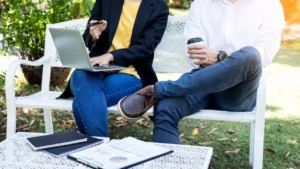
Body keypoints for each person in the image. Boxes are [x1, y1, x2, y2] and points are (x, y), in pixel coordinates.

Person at [118, 0, 285, 144]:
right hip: (200, 83)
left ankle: (159, 90)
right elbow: (195, 55)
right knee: (166, 107)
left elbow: (264, 53)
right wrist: (214, 59)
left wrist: (220, 57)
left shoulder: (269, 4)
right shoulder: (201, 4)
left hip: (237, 91)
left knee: (250, 55)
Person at [58, 0, 169, 137]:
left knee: (83, 100)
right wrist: (93, 34)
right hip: (98, 68)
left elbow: (145, 47)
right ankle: (100, 147)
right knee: (80, 75)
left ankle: (96, 146)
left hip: (131, 72)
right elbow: (88, 35)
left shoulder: (158, 7)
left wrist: (111, 56)